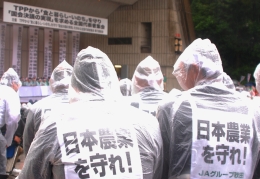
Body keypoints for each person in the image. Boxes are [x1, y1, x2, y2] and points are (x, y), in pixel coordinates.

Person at [17, 46, 163, 179]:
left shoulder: (55, 125)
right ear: (111, 81)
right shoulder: (147, 123)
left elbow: (31, 174)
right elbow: (158, 172)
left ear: (74, 85)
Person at [157, 38, 260, 179]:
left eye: (182, 71)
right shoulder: (250, 110)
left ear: (194, 69)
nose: (180, 78)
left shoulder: (174, 108)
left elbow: (162, 167)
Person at [23, 60, 73, 156]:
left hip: (42, 161)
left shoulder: (37, 108)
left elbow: (28, 144)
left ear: (52, 81)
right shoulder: (85, 107)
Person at [0, 68, 21, 179]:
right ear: (13, 83)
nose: (18, 89)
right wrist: (8, 140)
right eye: (17, 86)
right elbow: (13, 118)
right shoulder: (10, 92)